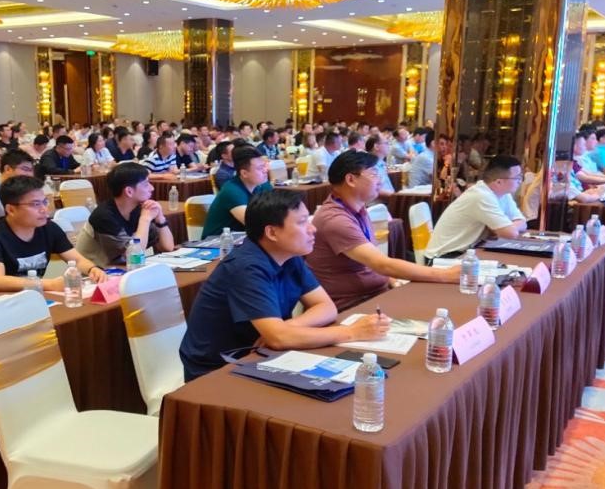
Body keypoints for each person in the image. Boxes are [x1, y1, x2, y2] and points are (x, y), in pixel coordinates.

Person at [178, 189, 389, 382]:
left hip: (260, 356)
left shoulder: (289, 256)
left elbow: (326, 307)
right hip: (217, 370)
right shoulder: (246, 267)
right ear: (272, 232)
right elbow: (279, 340)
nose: (313, 229)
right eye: (302, 222)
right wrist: (352, 332)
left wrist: (286, 329)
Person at [305, 152, 460, 310]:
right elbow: (382, 265)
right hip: (353, 306)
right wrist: (445, 275)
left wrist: (391, 279)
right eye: (373, 174)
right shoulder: (335, 220)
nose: (380, 181)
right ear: (351, 179)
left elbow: (374, 264)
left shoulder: (357, 209)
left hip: (376, 295)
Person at [0, 175, 106, 293]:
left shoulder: (49, 228)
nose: (44, 209)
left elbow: (77, 260)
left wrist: (92, 269)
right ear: (11, 209)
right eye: (35, 204)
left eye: (44, 202)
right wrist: (50, 284)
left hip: (34, 296)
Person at [424, 155, 528, 260]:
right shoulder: (481, 196)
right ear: (499, 182)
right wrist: (506, 228)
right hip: (445, 257)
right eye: (517, 178)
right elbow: (510, 233)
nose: (520, 181)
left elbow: (522, 222)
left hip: (466, 252)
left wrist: (505, 228)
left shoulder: (503, 193)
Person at [75, 162, 174, 267]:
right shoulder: (104, 216)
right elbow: (132, 256)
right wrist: (144, 220)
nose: (152, 188)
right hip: (94, 272)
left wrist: (160, 217)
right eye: (146, 184)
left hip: (122, 269)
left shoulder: (138, 209)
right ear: (129, 191)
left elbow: (168, 247)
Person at [202, 146, 272, 238]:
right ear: (244, 173)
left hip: (244, 239)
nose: (266, 170)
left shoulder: (263, 185)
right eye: (260, 168)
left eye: (264, 166)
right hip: (219, 242)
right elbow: (253, 224)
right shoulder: (231, 190)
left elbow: (277, 210)